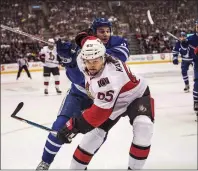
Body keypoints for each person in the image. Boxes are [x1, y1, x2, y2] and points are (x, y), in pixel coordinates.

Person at [36, 18, 130, 170]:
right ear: (94, 31)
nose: (106, 34)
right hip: (79, 94)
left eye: (108, 31)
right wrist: (69, 61)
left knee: (98, 135)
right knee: (58, 128)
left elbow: (118, 58)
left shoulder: (118, 42)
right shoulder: (80, 48)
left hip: (103, 97)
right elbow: (78, 79)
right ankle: (45, 162)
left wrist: (86, 45)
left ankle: (80, 164)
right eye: (101, 31)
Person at [57, 37, 155, 170]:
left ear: (103, 58)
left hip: (135, 96)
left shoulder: (109, 78)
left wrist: (73, 126)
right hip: (110, 102)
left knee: (144, 126)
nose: (91, 65)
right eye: (88, 61)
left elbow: (99, 114)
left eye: (95, 61)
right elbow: (89, 42)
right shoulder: (82, 58)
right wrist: (75, 48)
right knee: (92, 138)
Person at [180, 20, 198, 119]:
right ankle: (196, 102)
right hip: (197, 64)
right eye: (197, 26)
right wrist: (183, 43)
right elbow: (183, 50)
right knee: (197, 84)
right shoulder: (191, 39)